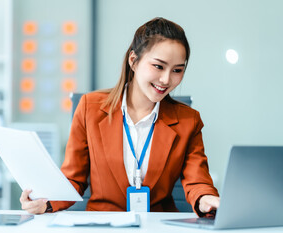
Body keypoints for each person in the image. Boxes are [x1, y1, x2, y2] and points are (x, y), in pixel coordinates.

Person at [20, 17, 220, 215]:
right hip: (102, 227)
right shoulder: (90, 108)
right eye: (158, 66)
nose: (166, 79)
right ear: (133, 60)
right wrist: (45, 202)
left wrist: (205, 199)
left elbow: (197, 182)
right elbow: (74, 179)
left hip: (158, 227)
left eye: (177, 70)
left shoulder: (188, 121)